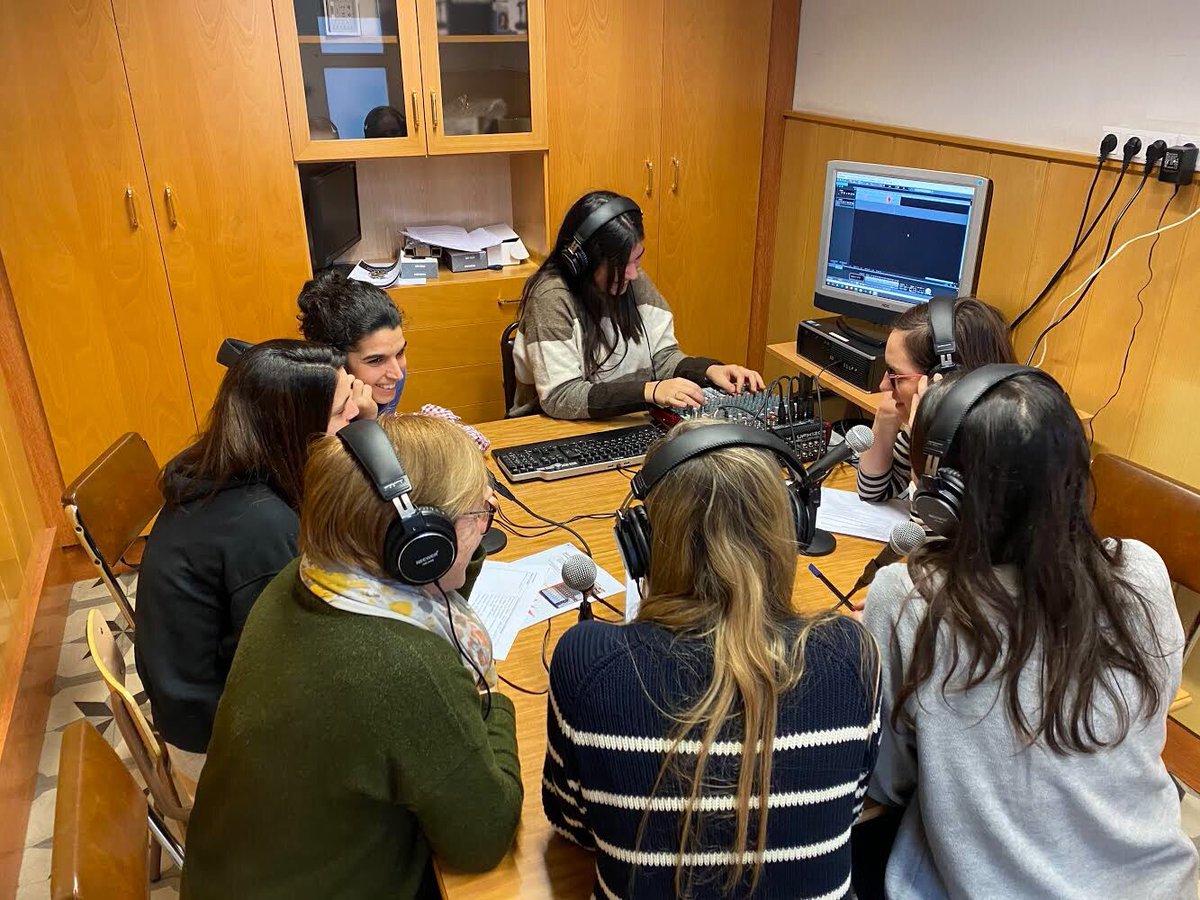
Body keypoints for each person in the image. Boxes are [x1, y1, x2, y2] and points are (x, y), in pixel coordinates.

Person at [862, 366, 1198, 899]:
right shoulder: (1141, 569)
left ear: (944, 493)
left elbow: (886, 779)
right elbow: (1148, 720)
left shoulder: (908, 597)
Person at [180, 415, 522, 900]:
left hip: (240, 874)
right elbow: (483, 837)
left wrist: (457, 550)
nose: (488, 521)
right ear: (420, 546)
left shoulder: (305, 578)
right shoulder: (404, 665)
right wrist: (495, 701)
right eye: (479, 513)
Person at [543, 419, 881, 899]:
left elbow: (573, 822)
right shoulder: (853, 654)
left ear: (644, 544)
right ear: (791, 527)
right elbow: (849, 807)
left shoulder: (588, 660)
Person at [136, 340, 358, 769]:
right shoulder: (260, 526)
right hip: (216, 744)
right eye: (342, 411)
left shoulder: (218, 468)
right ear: (296, 430)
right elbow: (292, 668)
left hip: (194, 702)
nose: (355, 417)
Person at [511, 190, 765, 419]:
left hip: (626, 422)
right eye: (621, 265)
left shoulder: (632, 280)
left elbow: (662, 358)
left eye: (637, 260)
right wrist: (650, 391)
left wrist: (708, 370)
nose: (633, 274)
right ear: (583, 262)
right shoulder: (550, 297)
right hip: (557, 430)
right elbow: (561, 397)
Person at [856, 296, 1015, 509]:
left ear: (944, 380)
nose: (884, 385)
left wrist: (925, 447)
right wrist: (886, 418)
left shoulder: (997, 452)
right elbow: (872, 492)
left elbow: (931, 530)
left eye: (895, 374)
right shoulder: (943, 427)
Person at [298, 268, 409, 417]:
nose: (397, 374)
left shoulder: (391, 379)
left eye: (399, 353)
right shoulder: (307, 408)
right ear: (335, 362)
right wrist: (365, 422)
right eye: (376, 360)